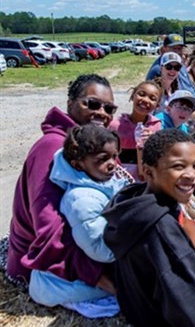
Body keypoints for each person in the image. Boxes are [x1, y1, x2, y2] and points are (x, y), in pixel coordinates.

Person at [102, 129, 195, 326]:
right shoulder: (161, 229)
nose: (191, 175)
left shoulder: (132, 200)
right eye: (178, 166)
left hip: (140, 308)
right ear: (149, 171)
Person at [7, 74, 117, 294]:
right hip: (43, 266)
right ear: (70, 104)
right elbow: (49, 231)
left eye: (109, 109)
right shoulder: (53, 148)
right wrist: (105, 281)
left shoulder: (93, 145)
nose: (101, 113)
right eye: (92, 104)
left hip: (88, 245)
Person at [28, 125, 130, 309]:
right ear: (78, 164)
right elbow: (100, 250)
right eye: (103, 159)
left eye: (115, 156)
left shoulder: (103, 181)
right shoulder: (82, 200)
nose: (113, 163)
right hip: (60, 284)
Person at [109, 80, 162, 180]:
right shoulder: (115, 124)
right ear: (133, 95)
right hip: (118, 178)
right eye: (141, 94)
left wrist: (153, 141)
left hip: (145, 180)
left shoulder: (157, 126)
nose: (146, 100)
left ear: (157, 105)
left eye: (152, 98)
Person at [146, 33, 195, 105]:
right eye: (174, 48)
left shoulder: (180, 64)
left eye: (180, 48)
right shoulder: (159, 69)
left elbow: (191, 88)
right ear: (164, 48)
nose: (178, 51)